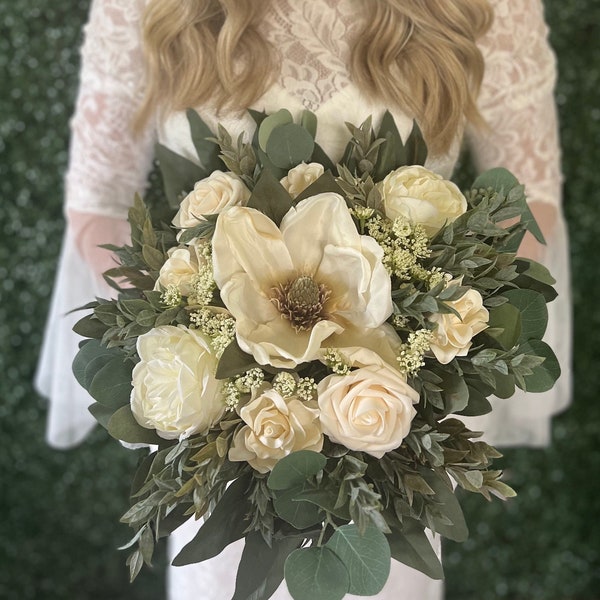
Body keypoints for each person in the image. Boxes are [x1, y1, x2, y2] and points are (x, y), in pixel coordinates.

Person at [35, 0, 571, 598]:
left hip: (388, 424)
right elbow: (99, 204)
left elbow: (530, 204)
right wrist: (197, 329)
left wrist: (415, 356)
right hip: (228, 438)